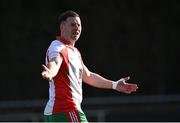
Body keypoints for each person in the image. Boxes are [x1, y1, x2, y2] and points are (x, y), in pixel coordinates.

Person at [41, 10, 138, 122]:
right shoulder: (58, 46)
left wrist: (115, 85)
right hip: (66, 110)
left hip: (56, 112)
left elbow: (88, 75)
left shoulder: (75, 52)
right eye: (73, 24)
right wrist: (50, 72)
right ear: (62, 27)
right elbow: (55, 62)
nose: (77, 28)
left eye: (79, 25)